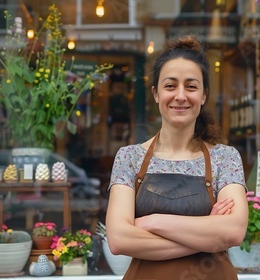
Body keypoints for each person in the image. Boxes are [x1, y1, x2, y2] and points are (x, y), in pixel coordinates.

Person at [105, 35, 248, 279]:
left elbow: (233, 232)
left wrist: (152, 222)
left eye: (191, 86)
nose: (180, 96)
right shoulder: (129, 158)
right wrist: (208, 236)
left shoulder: (225, 157)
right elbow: (119, 239)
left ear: (203, 96)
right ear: (156, 93)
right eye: (170, 86)